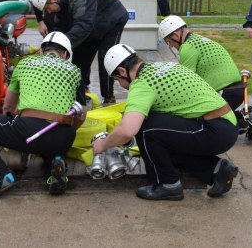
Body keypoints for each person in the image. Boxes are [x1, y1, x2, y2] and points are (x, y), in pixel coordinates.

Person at [92, 44, 239, 201]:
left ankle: (167, 185)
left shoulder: (142, 83)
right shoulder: (162, 66)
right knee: (159, 151)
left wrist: (103, 144)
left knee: (147, 129)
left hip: (213, 130)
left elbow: (128, 130)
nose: (120, 85)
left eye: (117, 80)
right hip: (225, 125)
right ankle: (216, 170)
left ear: (122, 71)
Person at [0, 32, 86, 198]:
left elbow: (8, 106)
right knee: (52, 139)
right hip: (64, 136)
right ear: (65, 54)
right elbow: (81, 115)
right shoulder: (75, 70)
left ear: (42, 51)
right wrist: (67, 132)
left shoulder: (25, 63)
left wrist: (14, 125)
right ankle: (56, 164)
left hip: (29, 132)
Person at [158, 15, 252, 142]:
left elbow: (185, 82)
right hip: (237, 88)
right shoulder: (200, 40)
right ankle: (244, 115)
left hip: (225, 92)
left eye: (169, 43)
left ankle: (244, 123)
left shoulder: (187, 47)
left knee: (200, 123)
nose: (172, 47)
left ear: (174, 35)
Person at [31, 0, 128, 105]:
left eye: (47, 8)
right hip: (92, 23)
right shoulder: (55, 9)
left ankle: (108, 97)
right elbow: (57, 33)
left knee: (106, 58)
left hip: (112, 19)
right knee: (79, 60)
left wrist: (59, 45)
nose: (47, 11)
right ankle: (79, 96)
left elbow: (83, 27)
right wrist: (47, 46)